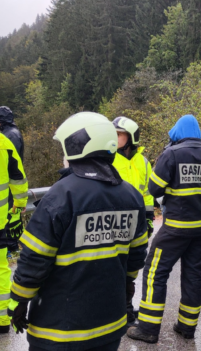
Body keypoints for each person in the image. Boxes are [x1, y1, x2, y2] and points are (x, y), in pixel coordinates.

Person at [8, 112, 148, 351]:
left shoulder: (60, 196)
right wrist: (128, 282)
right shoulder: (132, 196)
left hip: (60, 330)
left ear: (77, 146)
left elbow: (34, 260)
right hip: (109, 326)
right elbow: (136, 254)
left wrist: (19, 301)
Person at [127, 115, 201, 344]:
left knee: (155, 273)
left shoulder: (171, 154)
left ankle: (148, 328)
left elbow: (153, 188)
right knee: (193, 275)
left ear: (177, 135)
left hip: (175, 230)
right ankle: (187, 327)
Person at [111, 116, 155, 327]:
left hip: (136, 222)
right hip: (113, 222)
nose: (115, 137)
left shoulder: (143, 162)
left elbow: (147, 193)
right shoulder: (108, 158)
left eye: (119, 134)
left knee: (133, 266)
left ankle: (127, 309)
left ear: (131, 138)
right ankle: (114, 310)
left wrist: (149, 217)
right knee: (112, 267)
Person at [0, 132, 28, 335]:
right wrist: (19, 206)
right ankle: (1, 319)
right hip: (0, 220)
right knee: (1, 269)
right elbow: (18, 178)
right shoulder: (4, 143)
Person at [0, 106, 25, 254]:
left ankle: (11, 245)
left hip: (9, 183)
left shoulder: (10, 136)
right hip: (10, 182)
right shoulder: (10, 133)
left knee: (10, 215)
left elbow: (10, 164)